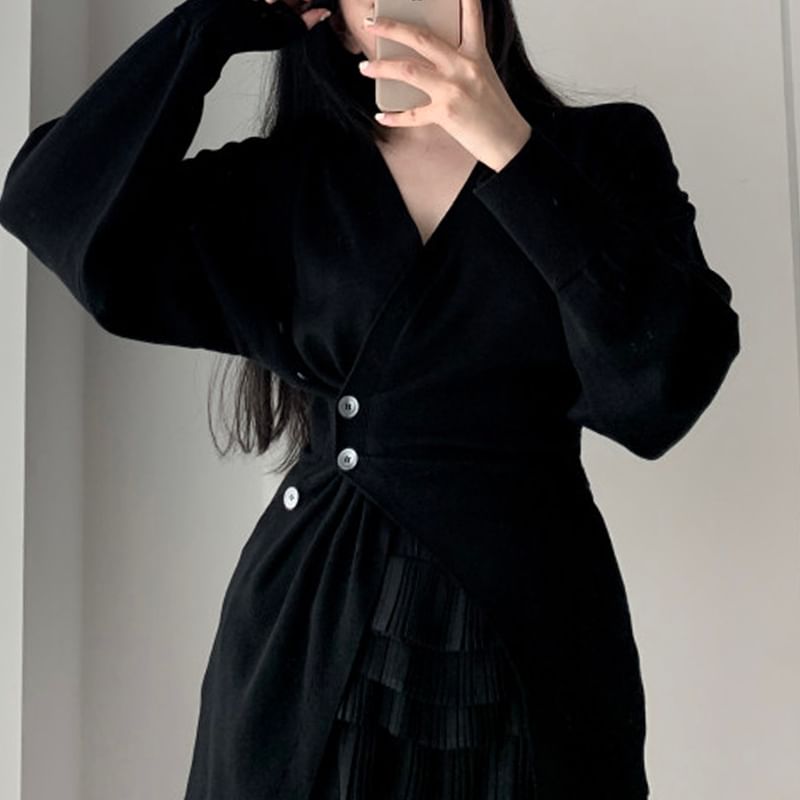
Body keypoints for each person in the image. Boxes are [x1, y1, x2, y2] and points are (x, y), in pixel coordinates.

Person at [0, 0, 741, 798]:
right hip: (313, 634)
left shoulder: (606, 150)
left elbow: (665, 387)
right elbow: (51, 205)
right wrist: (208, 25)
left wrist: (509, 147)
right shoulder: (292, 180)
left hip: (535, 626)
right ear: (329, 18)